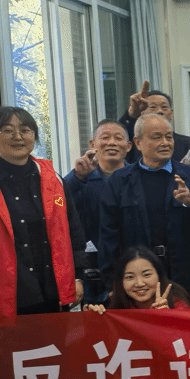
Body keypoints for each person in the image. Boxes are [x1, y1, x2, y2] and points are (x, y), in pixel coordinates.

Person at [0, 107, 86, 330]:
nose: (17, 136)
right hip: (1, 299)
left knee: (55, 349)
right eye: (7, 130)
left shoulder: (54, 180)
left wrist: (77, 278)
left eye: (25, 130)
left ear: (34, 136)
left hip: (52, 294)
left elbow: (73, 233)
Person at [98, 113, 190, 308]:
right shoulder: (119, 180)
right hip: (139, 282)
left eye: (169, 136)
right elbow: (108, 236)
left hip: (185, 278)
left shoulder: (189, 175)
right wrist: (111, 283)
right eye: (157, 137)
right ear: (138, 142)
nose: (165, 143)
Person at [62, 119, 132, 305]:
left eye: (118, 138)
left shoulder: (137, 178)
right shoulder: (81, 179)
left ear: (128, 146)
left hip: (133, 266)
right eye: (105, 137)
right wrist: (77, 176)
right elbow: (58, 202)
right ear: (92, 144)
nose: (112, 143)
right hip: (92, 270)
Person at [82, 247, 190, 313]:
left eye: (146, 275)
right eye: (130, 277)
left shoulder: (177, 305)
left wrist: (167, 318)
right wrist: (93, 320)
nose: (139, 283)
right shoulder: (115, 306)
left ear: (159, 275)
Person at [118, 80, 190, 167]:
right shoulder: (134, 142)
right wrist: (132, 113)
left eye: (164, 107)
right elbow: (119, 134)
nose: (159, 111)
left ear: (171, 113)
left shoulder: (187, 143)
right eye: (153, 107)